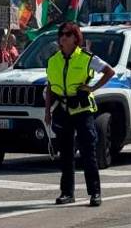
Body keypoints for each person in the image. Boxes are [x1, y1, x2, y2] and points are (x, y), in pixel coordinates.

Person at [44, 22, 115, 207]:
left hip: (82, 110)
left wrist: (92, 87)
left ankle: (95, 193)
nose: (63, 37)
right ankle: (67, 193)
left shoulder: (86, 57)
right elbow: (50, 87)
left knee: (88, 152)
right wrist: (47, 112)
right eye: (61, 34)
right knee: (65, 154)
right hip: (63, 110)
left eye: (67, 34)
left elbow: (109, 72)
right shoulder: (53, 60)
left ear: (76, 38)